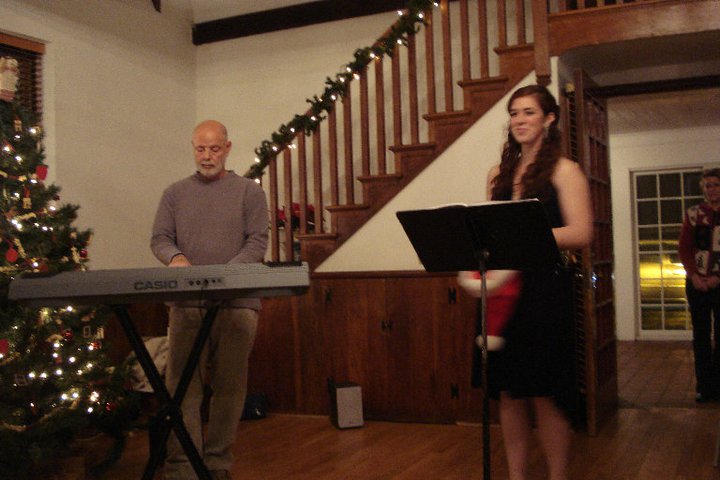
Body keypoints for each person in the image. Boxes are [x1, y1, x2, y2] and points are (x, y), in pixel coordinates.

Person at [483, 84, 593, 480]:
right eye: (514, 113)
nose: (519, 120)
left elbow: (581, 233)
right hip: (502, 293)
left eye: (528, 112)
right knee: (510, 393)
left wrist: (529, 235)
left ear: (548, 119)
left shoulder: (565, 170)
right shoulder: (498, 174)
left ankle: (557, 476)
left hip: (545, 291)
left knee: (545, 393)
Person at [151, 119, 269, 480]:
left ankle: (217, 464)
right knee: (182, 387)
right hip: (186, 305)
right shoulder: (174, 193)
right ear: (193, 149)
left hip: (237, 304)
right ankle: (183, 465)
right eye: (200, 149)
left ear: (228, 148)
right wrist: (176, 259)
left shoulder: (249, 192)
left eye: (214, 148)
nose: (207, 156)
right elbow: (160, 238)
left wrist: (224, 277)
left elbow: (257, 242)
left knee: (230, 387)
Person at [678, 168, 720, 403]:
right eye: (707, 185)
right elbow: (684, 248)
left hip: (719, 282)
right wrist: (693, 275)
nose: (711, 189)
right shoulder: (694, 213)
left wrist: (717, 277)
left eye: (715, 184)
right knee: (701, 336)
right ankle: (704, 387)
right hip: (696, 284)